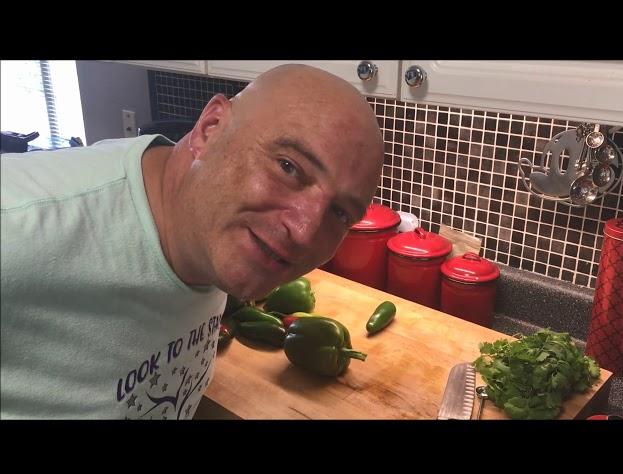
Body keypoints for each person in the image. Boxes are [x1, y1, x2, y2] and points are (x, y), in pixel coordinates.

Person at [0, 64, 384, 419]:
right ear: (210, 128)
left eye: (339, 213)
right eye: (288, 167)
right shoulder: (20, 226)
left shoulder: (207, 233)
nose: (303, 232)